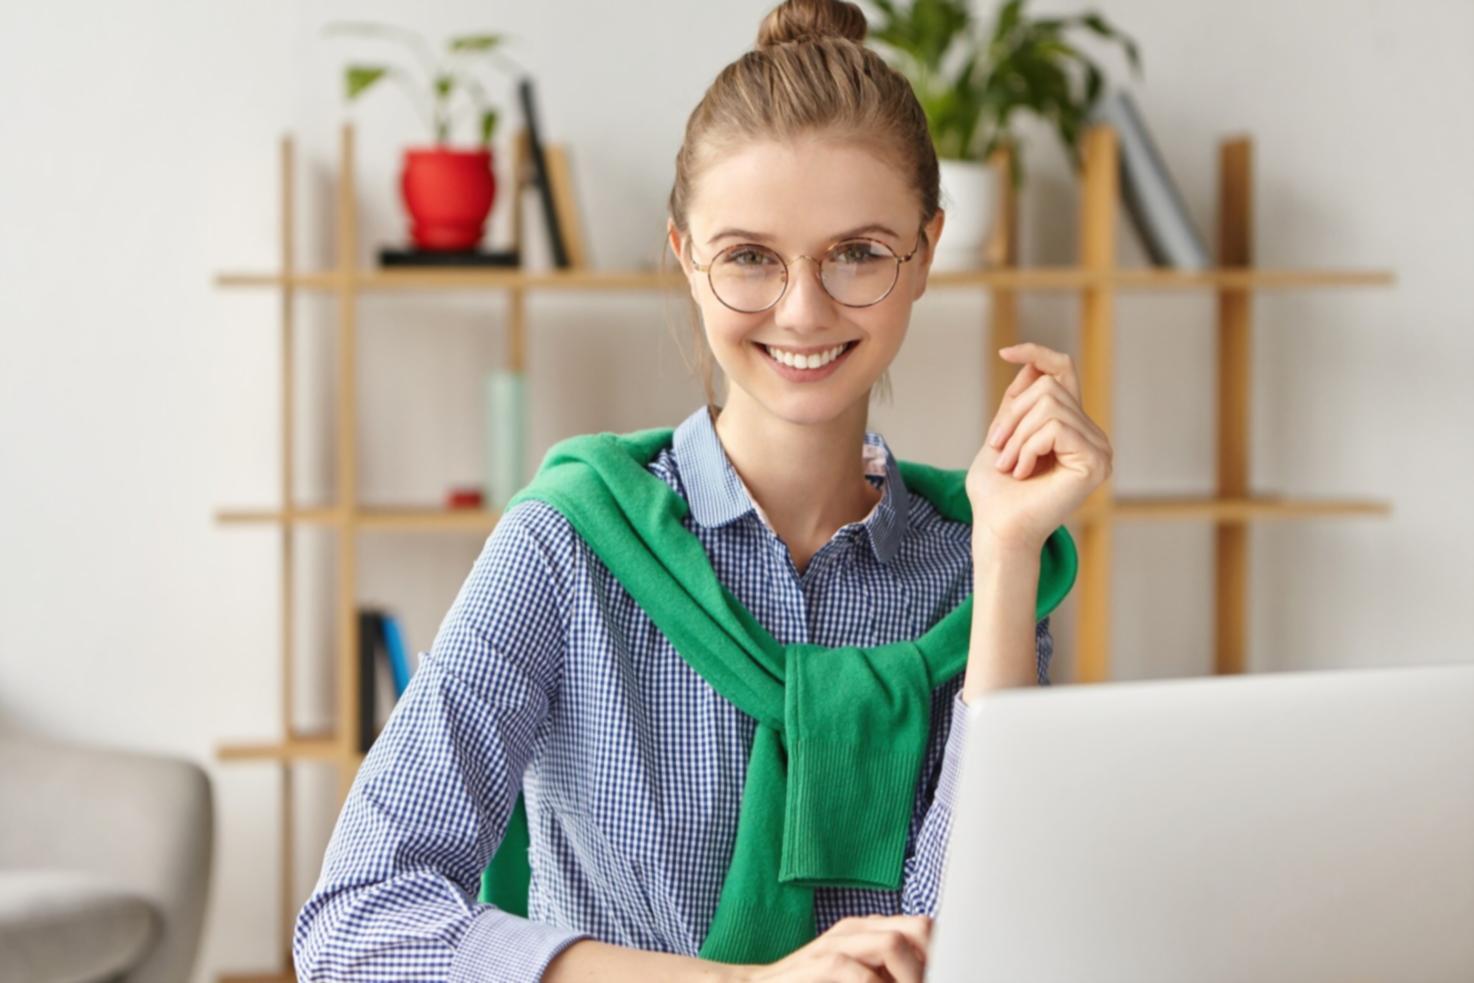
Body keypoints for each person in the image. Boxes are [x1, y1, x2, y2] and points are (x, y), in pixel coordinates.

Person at [291, 0, 1113, 979]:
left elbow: (981, 933)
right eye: (750, 258)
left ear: (924, 251)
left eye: (856, 253)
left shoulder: (969, 566)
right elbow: (357, 926)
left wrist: (1009, 553)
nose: (802, 311)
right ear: (685, 255)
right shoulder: (571, 540)